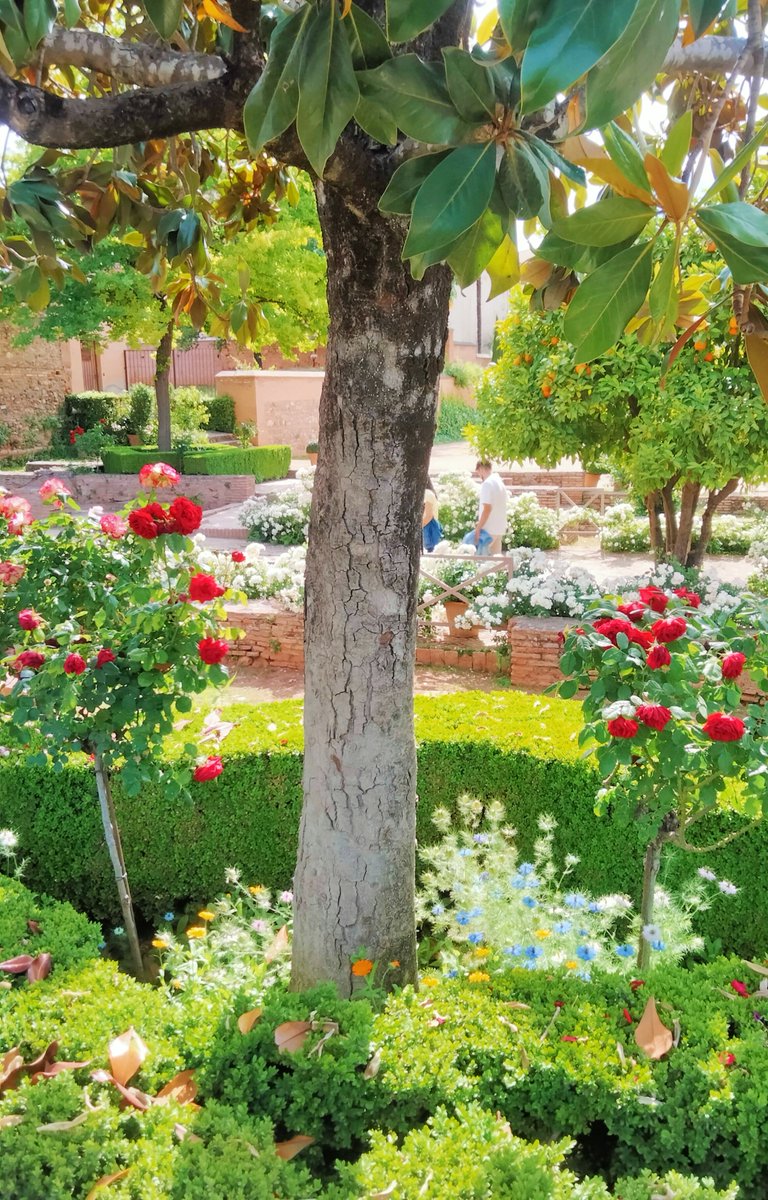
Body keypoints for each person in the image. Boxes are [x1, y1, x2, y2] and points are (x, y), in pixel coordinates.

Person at [463, 460, 507, 555]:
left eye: (478, 471)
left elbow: (487, 509)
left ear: (481, 469)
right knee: (495, 561)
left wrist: (478, 528)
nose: (479, 475)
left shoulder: (487, 484)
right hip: (499, 528)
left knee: (479, 558)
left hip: (488, 529)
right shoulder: (499, 482)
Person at [422, 478, 442, 553]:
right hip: (429, 529)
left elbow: (429, 516)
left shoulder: (427, 494)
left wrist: (417, 528)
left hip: (428, 530)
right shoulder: (429, 493)